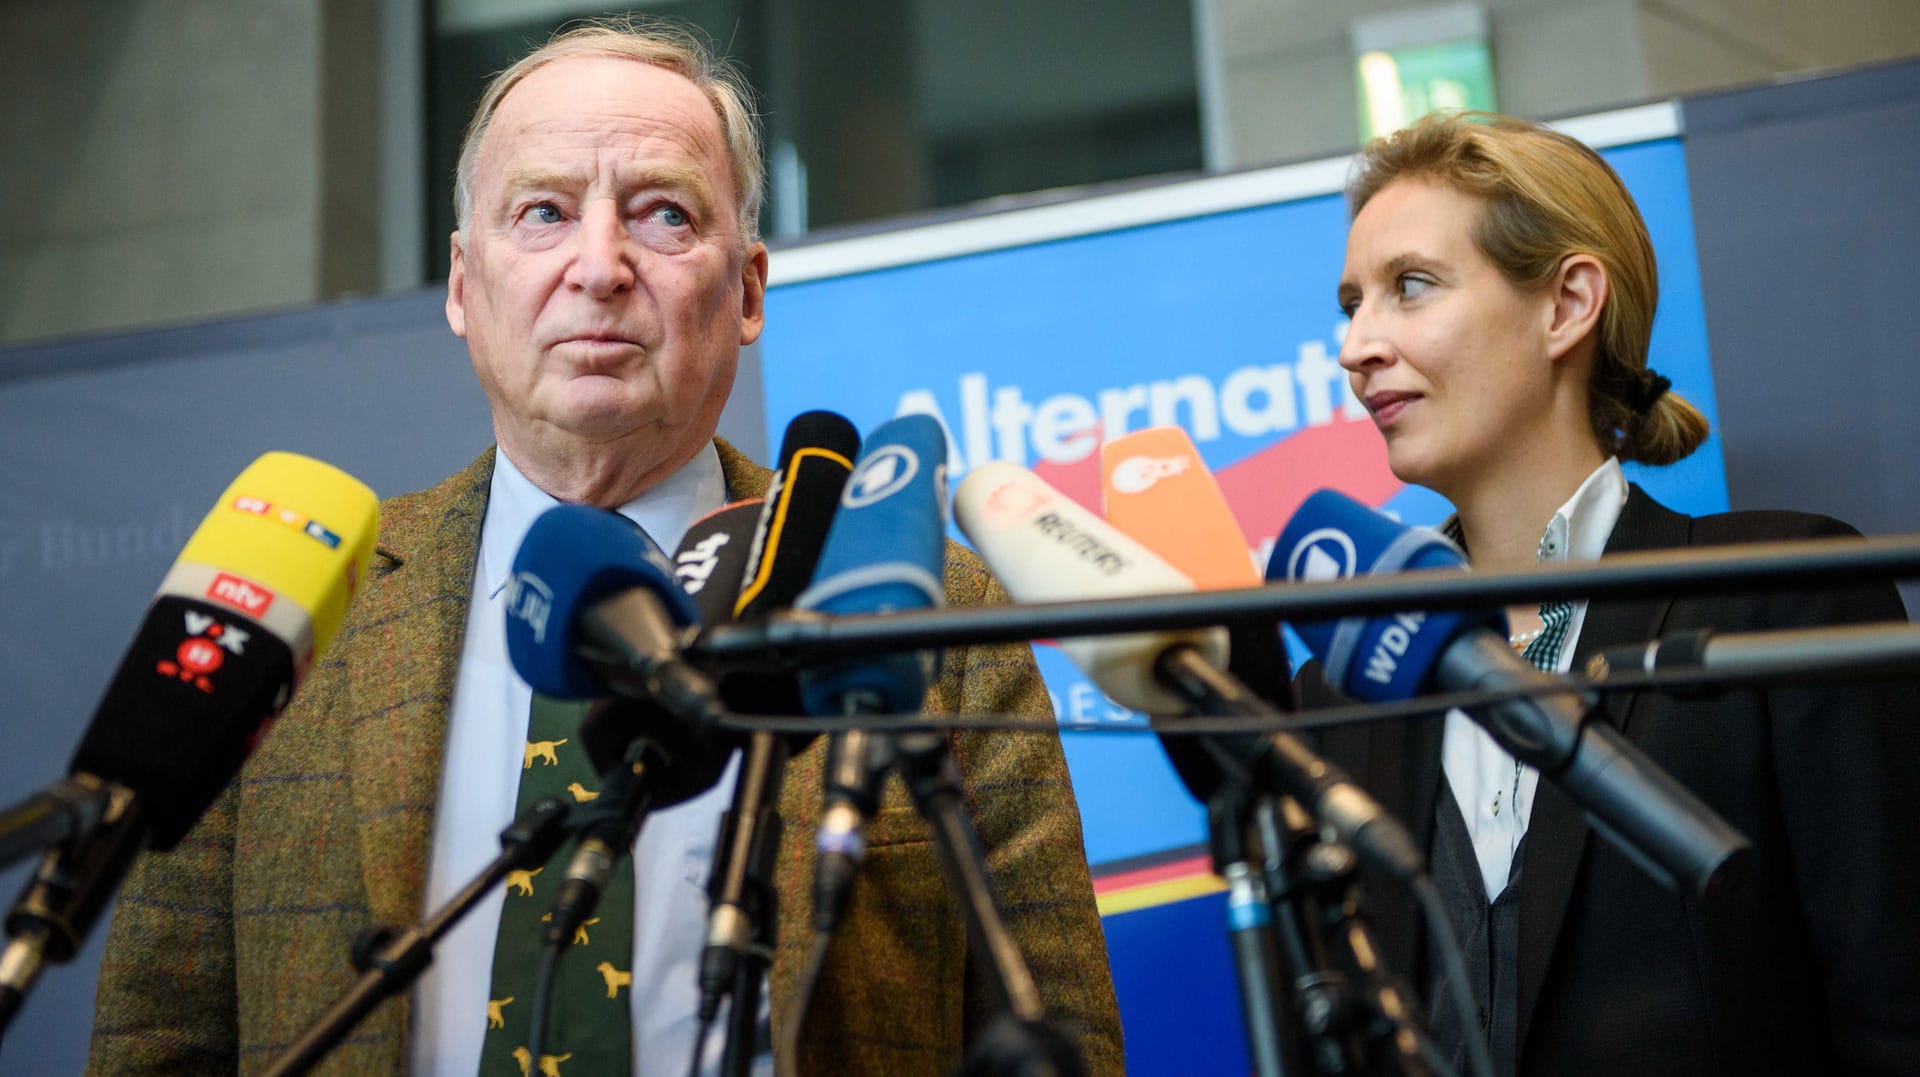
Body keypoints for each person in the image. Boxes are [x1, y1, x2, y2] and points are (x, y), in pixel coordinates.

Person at [86, 18, 1123, 1076]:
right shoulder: (294, 611)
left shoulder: (921, 604)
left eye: (663, 214)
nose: (599, 267)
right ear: (460, 284)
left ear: (750, 289)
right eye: (541, 213)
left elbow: (1060, 1035)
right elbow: (155, 1041)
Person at [1311, 110, 1920, 1076]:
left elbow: (1897, 1013)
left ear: (1567, 305)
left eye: (1410, 287)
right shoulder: (1338, 690)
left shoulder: (1780, 595)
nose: (1358, 346)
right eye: (1351, 305)